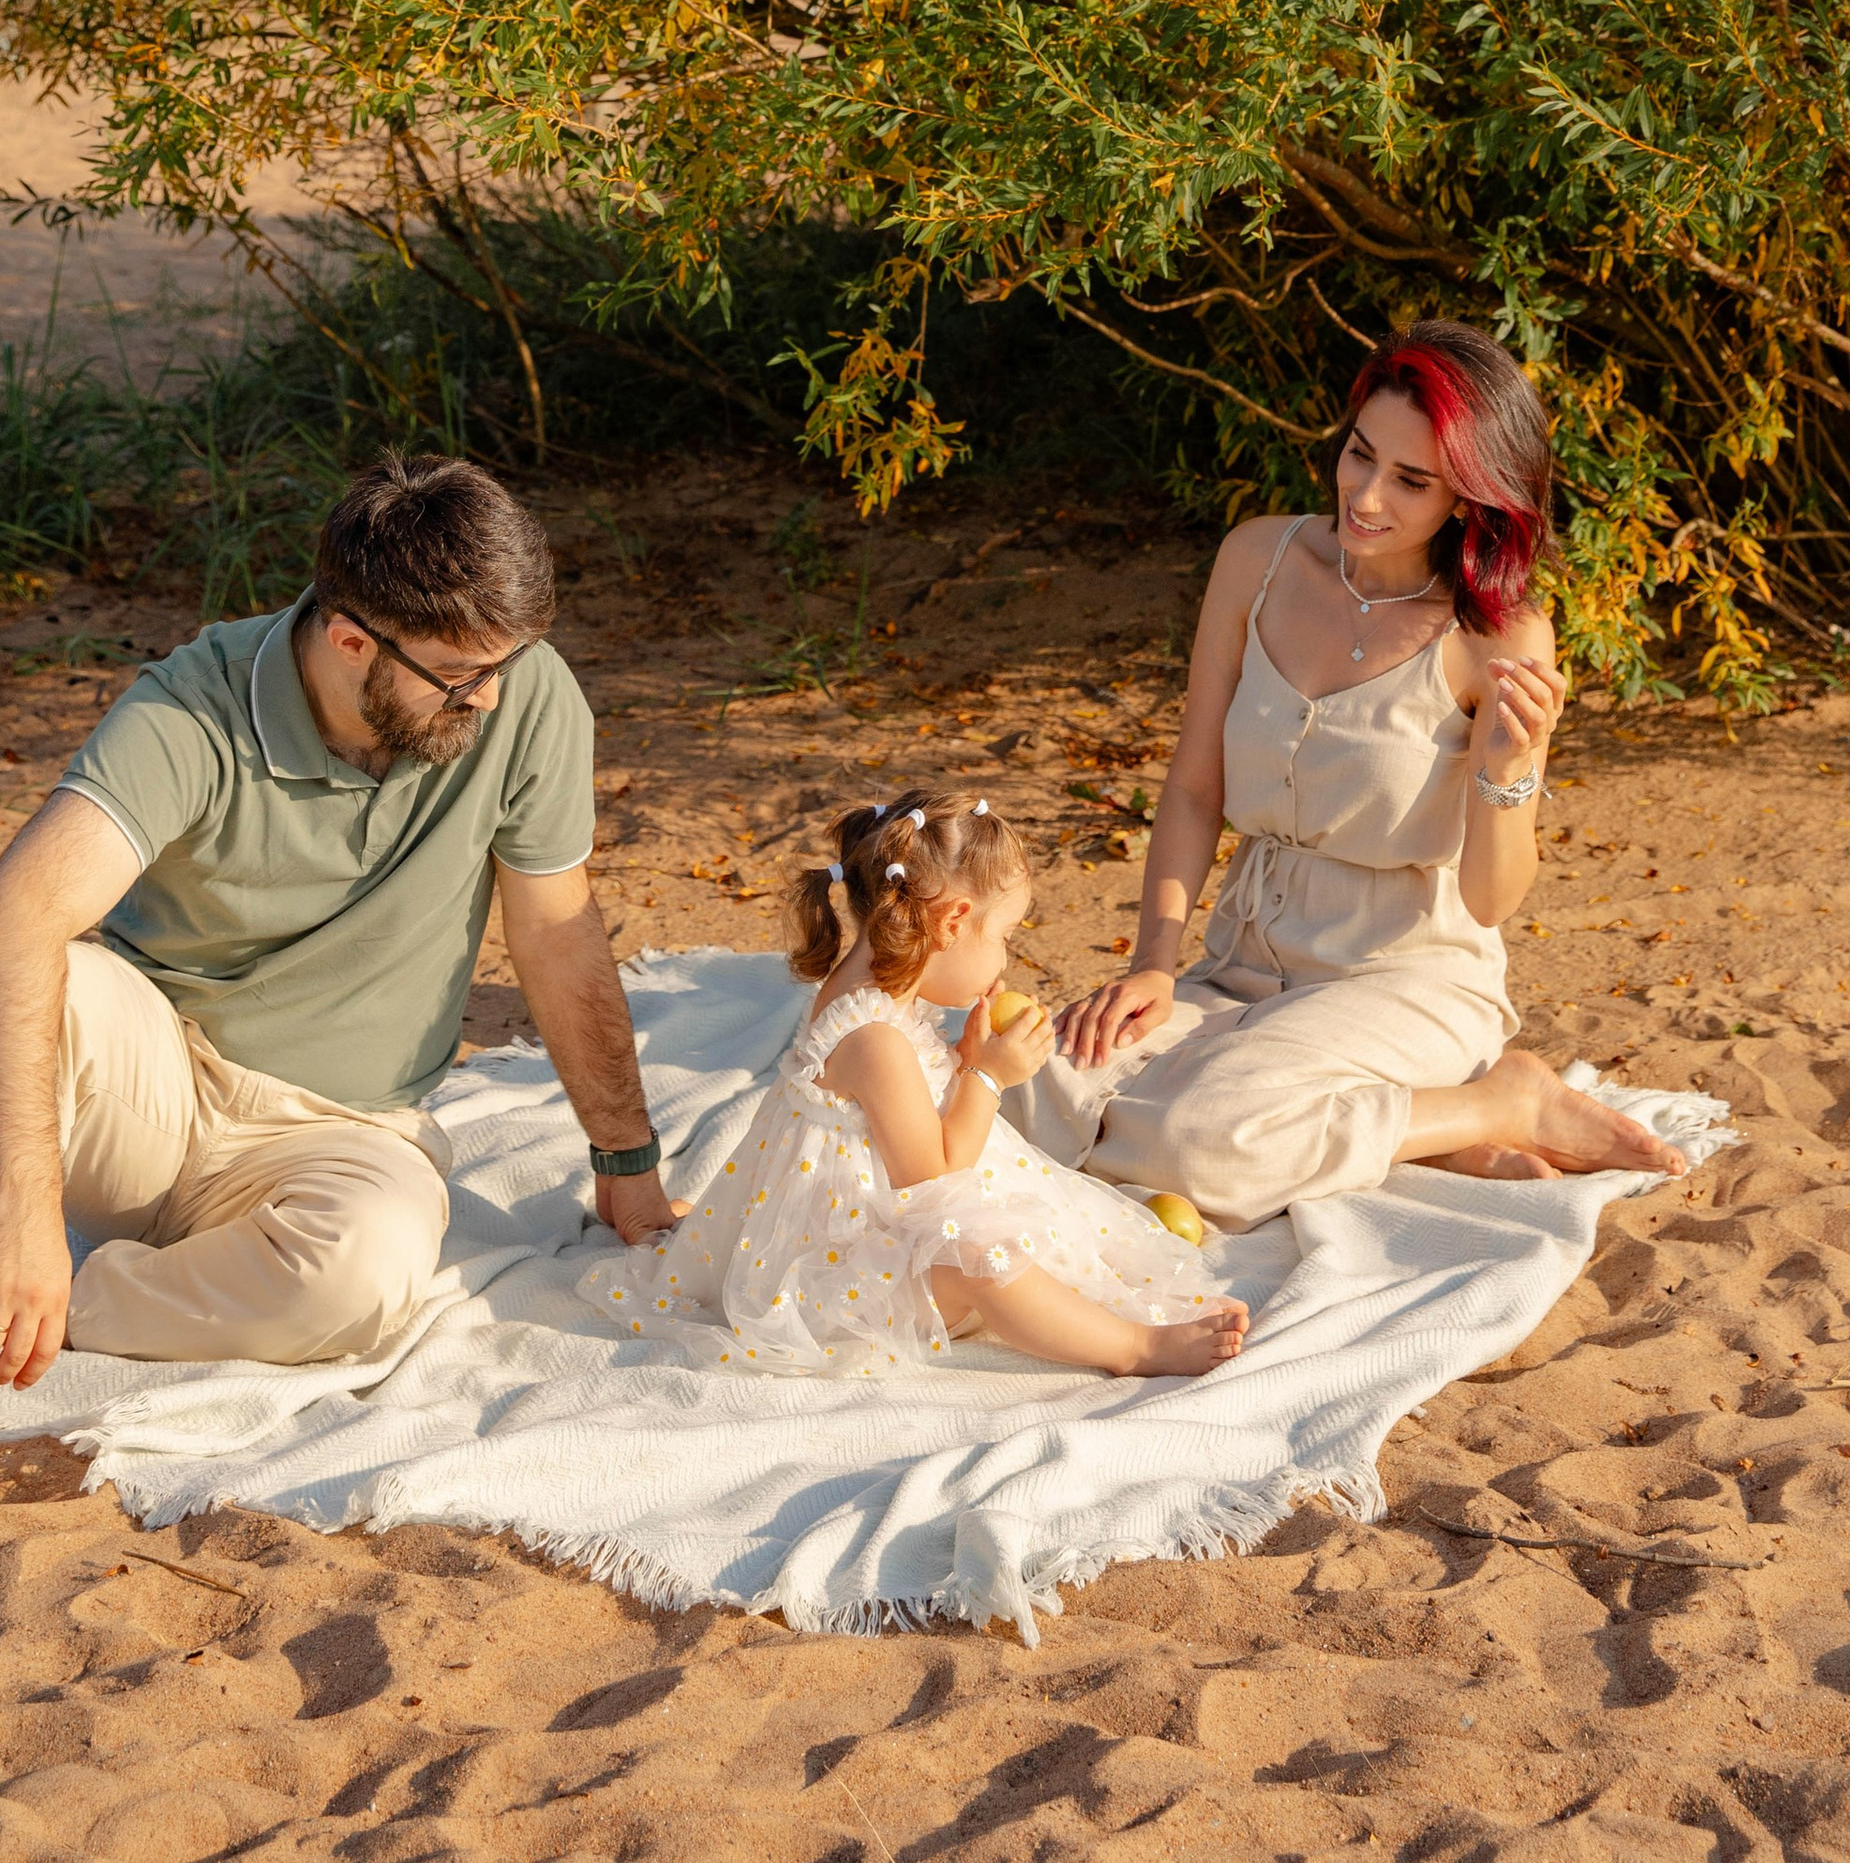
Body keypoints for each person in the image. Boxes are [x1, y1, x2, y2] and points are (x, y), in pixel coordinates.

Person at [0, 453, 674, 1527]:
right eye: (462, 675)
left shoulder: (521, 697)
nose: (493, 696)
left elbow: (558, 939)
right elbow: (5, 925)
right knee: (44, 985)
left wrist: (627, 1166)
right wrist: (26, 1210)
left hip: (345, 1127)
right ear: (351, 641)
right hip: (158, 1088)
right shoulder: (191, 709)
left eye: (505, 666)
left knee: (369, 1277)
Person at [1008, 320, 1687, 1221]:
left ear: (1473, 497)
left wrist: (1509, 765)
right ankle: (1429, 1132)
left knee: (1197, 1138)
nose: (1364, 495)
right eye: (1360, 455)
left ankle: (1500, 1101)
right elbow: (1194, 787)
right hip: (1241, 962)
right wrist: (1156, 964)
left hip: (1402, 977)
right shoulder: (1257, 558)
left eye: (1411, 481)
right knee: (1028, 1086)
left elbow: (1490, 900)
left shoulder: (1500, 636)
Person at [584, 787, 1249, 1378]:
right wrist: (985, 1075)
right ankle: (1135, 1347)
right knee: (986, 1258)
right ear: (954, 922)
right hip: (848, 1262)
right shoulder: (873, 1038)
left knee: (1051, 1226)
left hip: (868, 1207)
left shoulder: (873, 988)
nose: (1006, 956)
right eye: (1005, 934)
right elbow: (935, 1181)